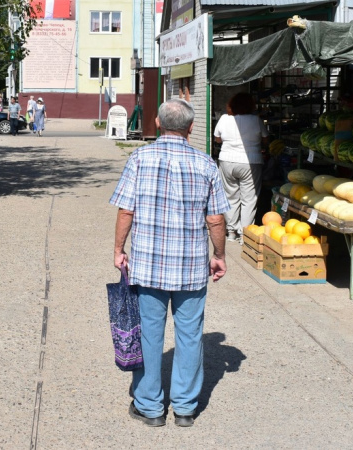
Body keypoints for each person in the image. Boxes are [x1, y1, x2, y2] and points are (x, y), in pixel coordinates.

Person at [110, 99, 229, 428]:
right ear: (191, 128)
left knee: (149, 334)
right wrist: (218, 256)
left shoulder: (140, 158)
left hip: (148, 265)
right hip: (191, 268)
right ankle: (185, 408)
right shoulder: (206, 164)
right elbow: (216, 219)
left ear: (159, 124)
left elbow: (125, 210)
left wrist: (119, 249)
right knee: (190, 335)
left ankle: (150, 407)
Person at [213, 92, 269, 242]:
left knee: (230, 196)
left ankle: (231, 232)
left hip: (227, 161)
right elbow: (265, 139)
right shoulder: (256, 120)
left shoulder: (224, 119)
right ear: (251, 106)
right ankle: (245, 234)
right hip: (251, 161)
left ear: (231, 106)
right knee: (249, 198)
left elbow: (217, 139)